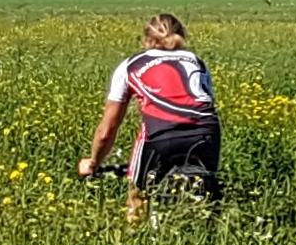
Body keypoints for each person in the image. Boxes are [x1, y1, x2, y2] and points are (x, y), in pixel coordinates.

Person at [80, 13, 220, 222]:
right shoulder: (197, 62)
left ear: (146, 39)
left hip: (160, 135)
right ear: (182, 36)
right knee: (205, 192)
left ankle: (135, 233)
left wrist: (93, 162)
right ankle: (208, 232)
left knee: (138, 194)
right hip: (206, 133)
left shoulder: (131, 65)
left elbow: (107, 130)